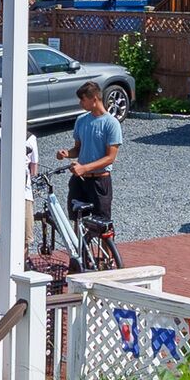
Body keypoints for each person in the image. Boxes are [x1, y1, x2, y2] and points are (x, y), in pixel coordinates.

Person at [61, 89, 123, 257]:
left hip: (99, 181)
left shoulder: (111, 123)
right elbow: (77, 149)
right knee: (78, 221)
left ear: (94, 99)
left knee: (103, 224)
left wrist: (85, 168)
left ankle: (108, 262)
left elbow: (110, 157)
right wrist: (68, 153)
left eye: (83, 100)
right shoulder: (81, 120)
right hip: (80, 181)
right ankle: (79, 260)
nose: (80, 103)